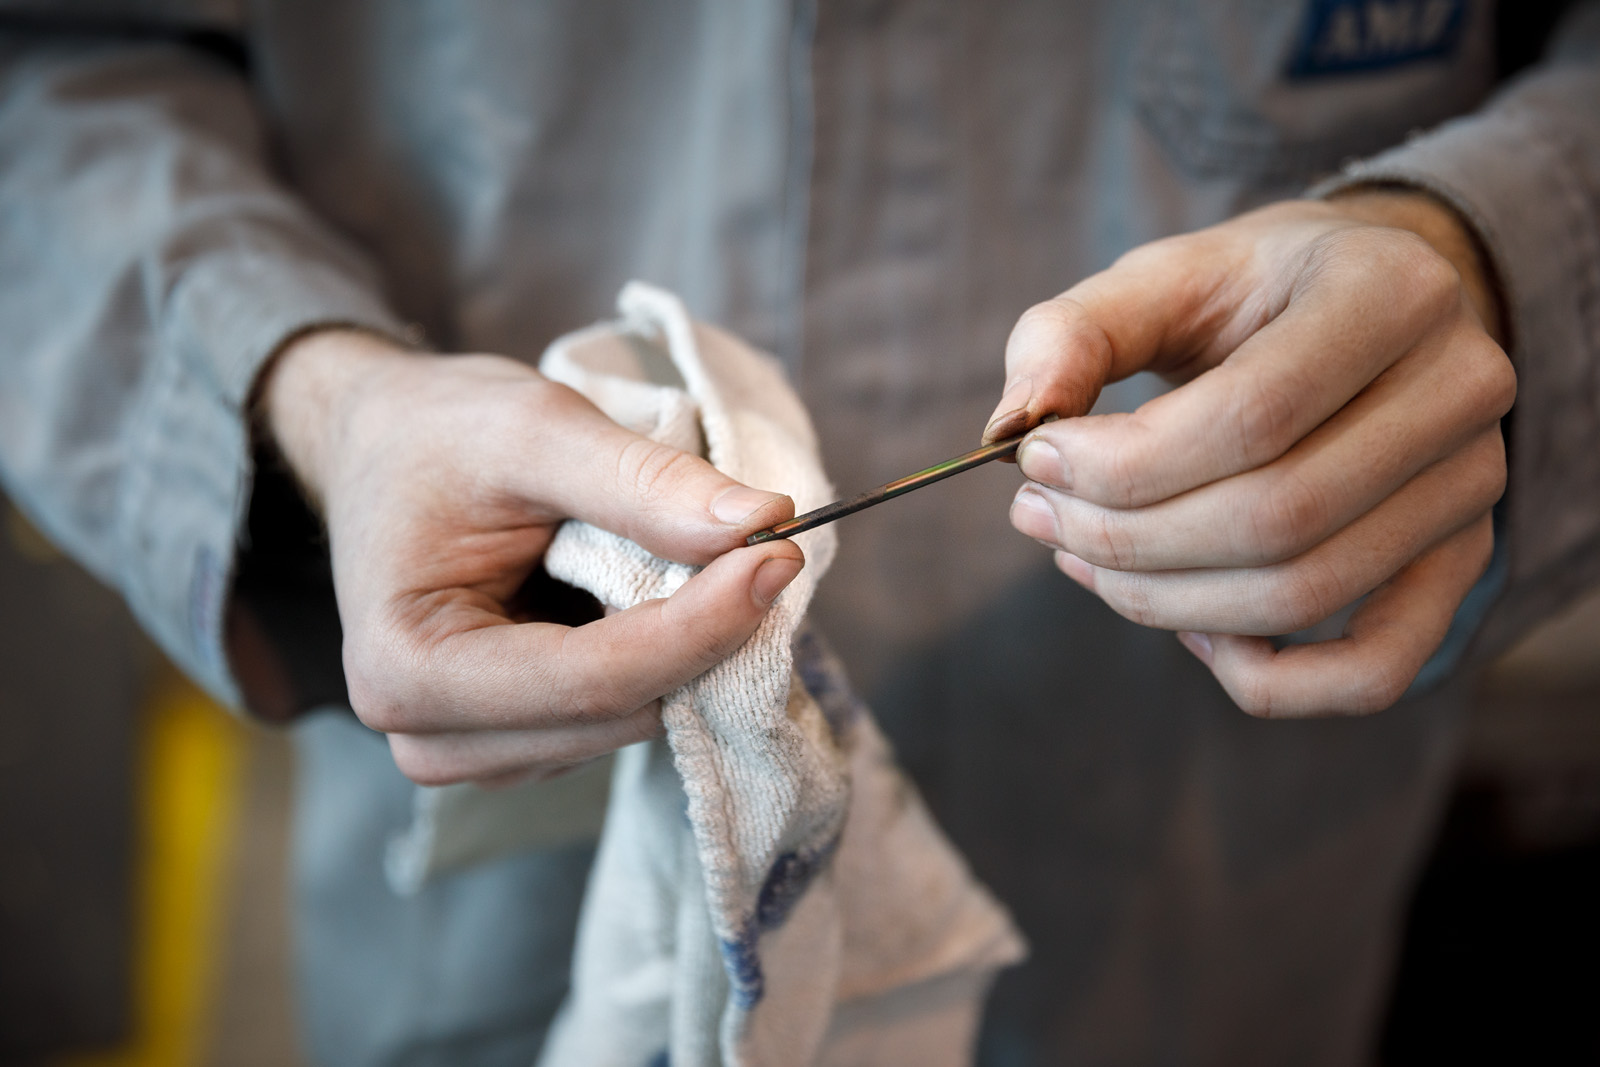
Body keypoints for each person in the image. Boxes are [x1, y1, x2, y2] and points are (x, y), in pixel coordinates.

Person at [1, 1, 1596, 1063]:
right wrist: (314, 394)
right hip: (468, 974)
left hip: (1214, 950)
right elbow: (53, 67)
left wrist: (1489, 249)